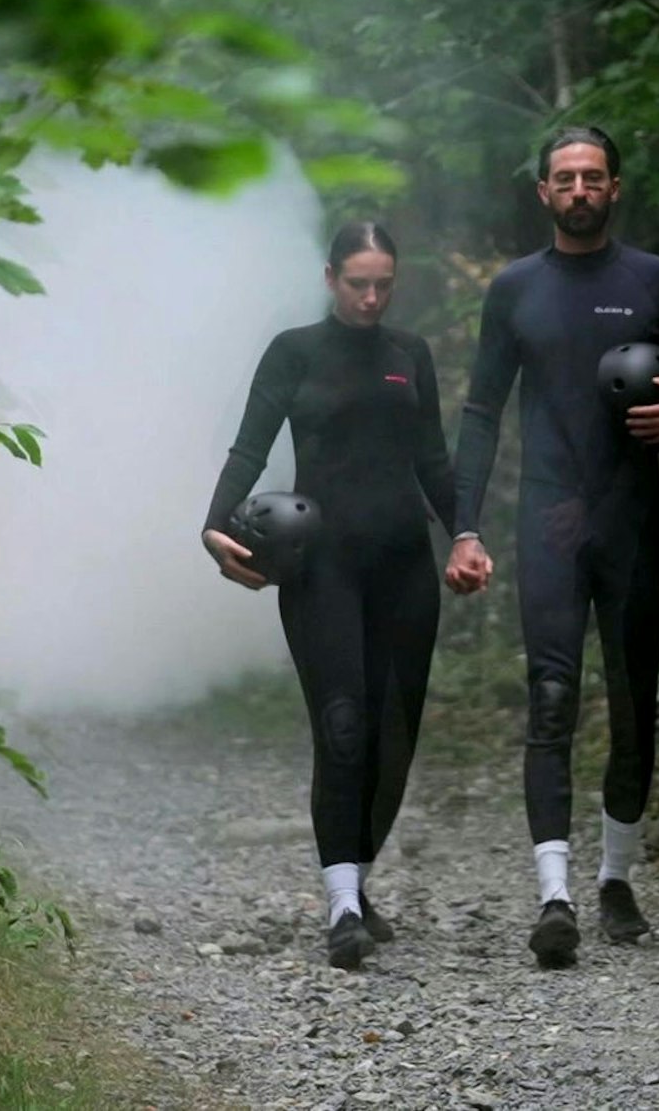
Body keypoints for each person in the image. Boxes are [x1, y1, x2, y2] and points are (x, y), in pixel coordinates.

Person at [446, 126, 659, 968]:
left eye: (593, 177)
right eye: (563, 178)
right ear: (542, 193)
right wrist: (464, 524)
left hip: (631, 523)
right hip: (548, 524)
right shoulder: (514, 290)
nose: (579, 190)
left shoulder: (654, 280)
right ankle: (555, 894)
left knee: (631, 704)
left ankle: (617, 875)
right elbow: (479, 413)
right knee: (550, 701)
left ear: (614, 188)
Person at [201, 221, 456, 970]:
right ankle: (340, 903)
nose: (372, 296)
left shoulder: (410, 354)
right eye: (358, 283)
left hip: (405, 564)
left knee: (392, 733)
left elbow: (433, 458)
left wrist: (466, 532)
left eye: (384, 283)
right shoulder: (294, 352)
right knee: (341, 725)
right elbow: (250, 446)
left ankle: (361, 878)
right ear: (330, 277)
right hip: (323, 566)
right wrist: (213, 527)